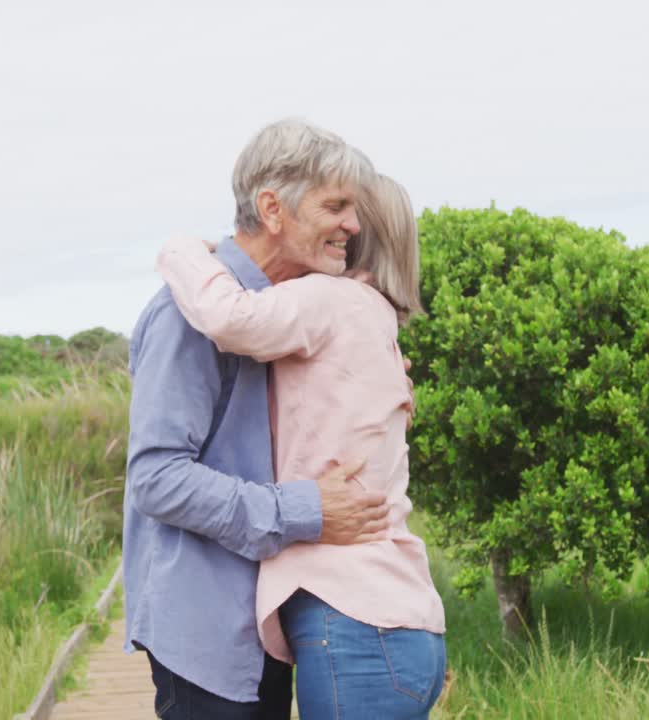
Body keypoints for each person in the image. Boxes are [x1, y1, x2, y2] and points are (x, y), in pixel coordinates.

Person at [122, 119, 394, 720]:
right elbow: (157, 478)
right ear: (273, 208)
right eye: (336, 206)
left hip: (267, 621)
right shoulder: (184, 319)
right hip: (208, 633)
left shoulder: (280, 316)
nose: (353, 224)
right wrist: (306, 510)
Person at [155, 174, 446, 719]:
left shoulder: (329, 299)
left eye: (343, 212)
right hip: (400, 627)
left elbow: (229, 316)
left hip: (354, 621)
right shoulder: (374, 320)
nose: (340, 224)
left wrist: (183, 250)